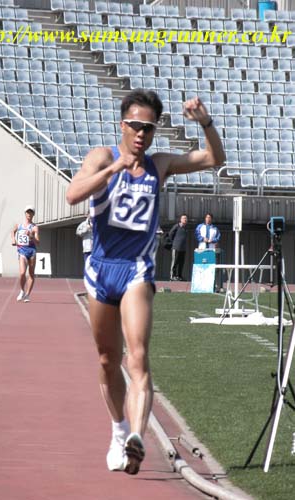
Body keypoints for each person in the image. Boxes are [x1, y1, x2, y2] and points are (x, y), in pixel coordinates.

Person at [66, 90, 225, 475]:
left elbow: (213, 159)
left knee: (137, 357)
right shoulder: (102, 157)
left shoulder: (159, 165)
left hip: (137, 269)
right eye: (136, 126)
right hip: (101, 269)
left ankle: (137, 437)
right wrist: (112, 170)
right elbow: (73, 194)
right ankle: (119, 431)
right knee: (107, 359)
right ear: (123, 125)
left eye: (149, 128)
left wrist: (205, 122)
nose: (141, 134)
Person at [11, 205, 40, 303]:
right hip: (22, 251)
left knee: (31, 274)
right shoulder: (18, 225)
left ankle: (27, 295)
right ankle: (22, 291)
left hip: (31, 251)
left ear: (33, 214)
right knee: (22, 272)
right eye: (27, 212)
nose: (29, 214)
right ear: (25, 214)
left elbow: (38, 242)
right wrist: (13, 240)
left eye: (31, 212)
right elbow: (13, 231)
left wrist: (31, 236)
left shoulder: (35, 227)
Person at [169, 214, 188, 281]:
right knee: (175, 262)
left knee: (181, 263)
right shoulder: (177, 226)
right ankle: (172, 276)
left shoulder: (185, 228)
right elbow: (170, 234)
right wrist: (174, 243)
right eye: (183, 218)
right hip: (176, 248)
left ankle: (179, 276)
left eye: (186, 218)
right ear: (180, 219)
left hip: (183, 249)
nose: (185, 220)